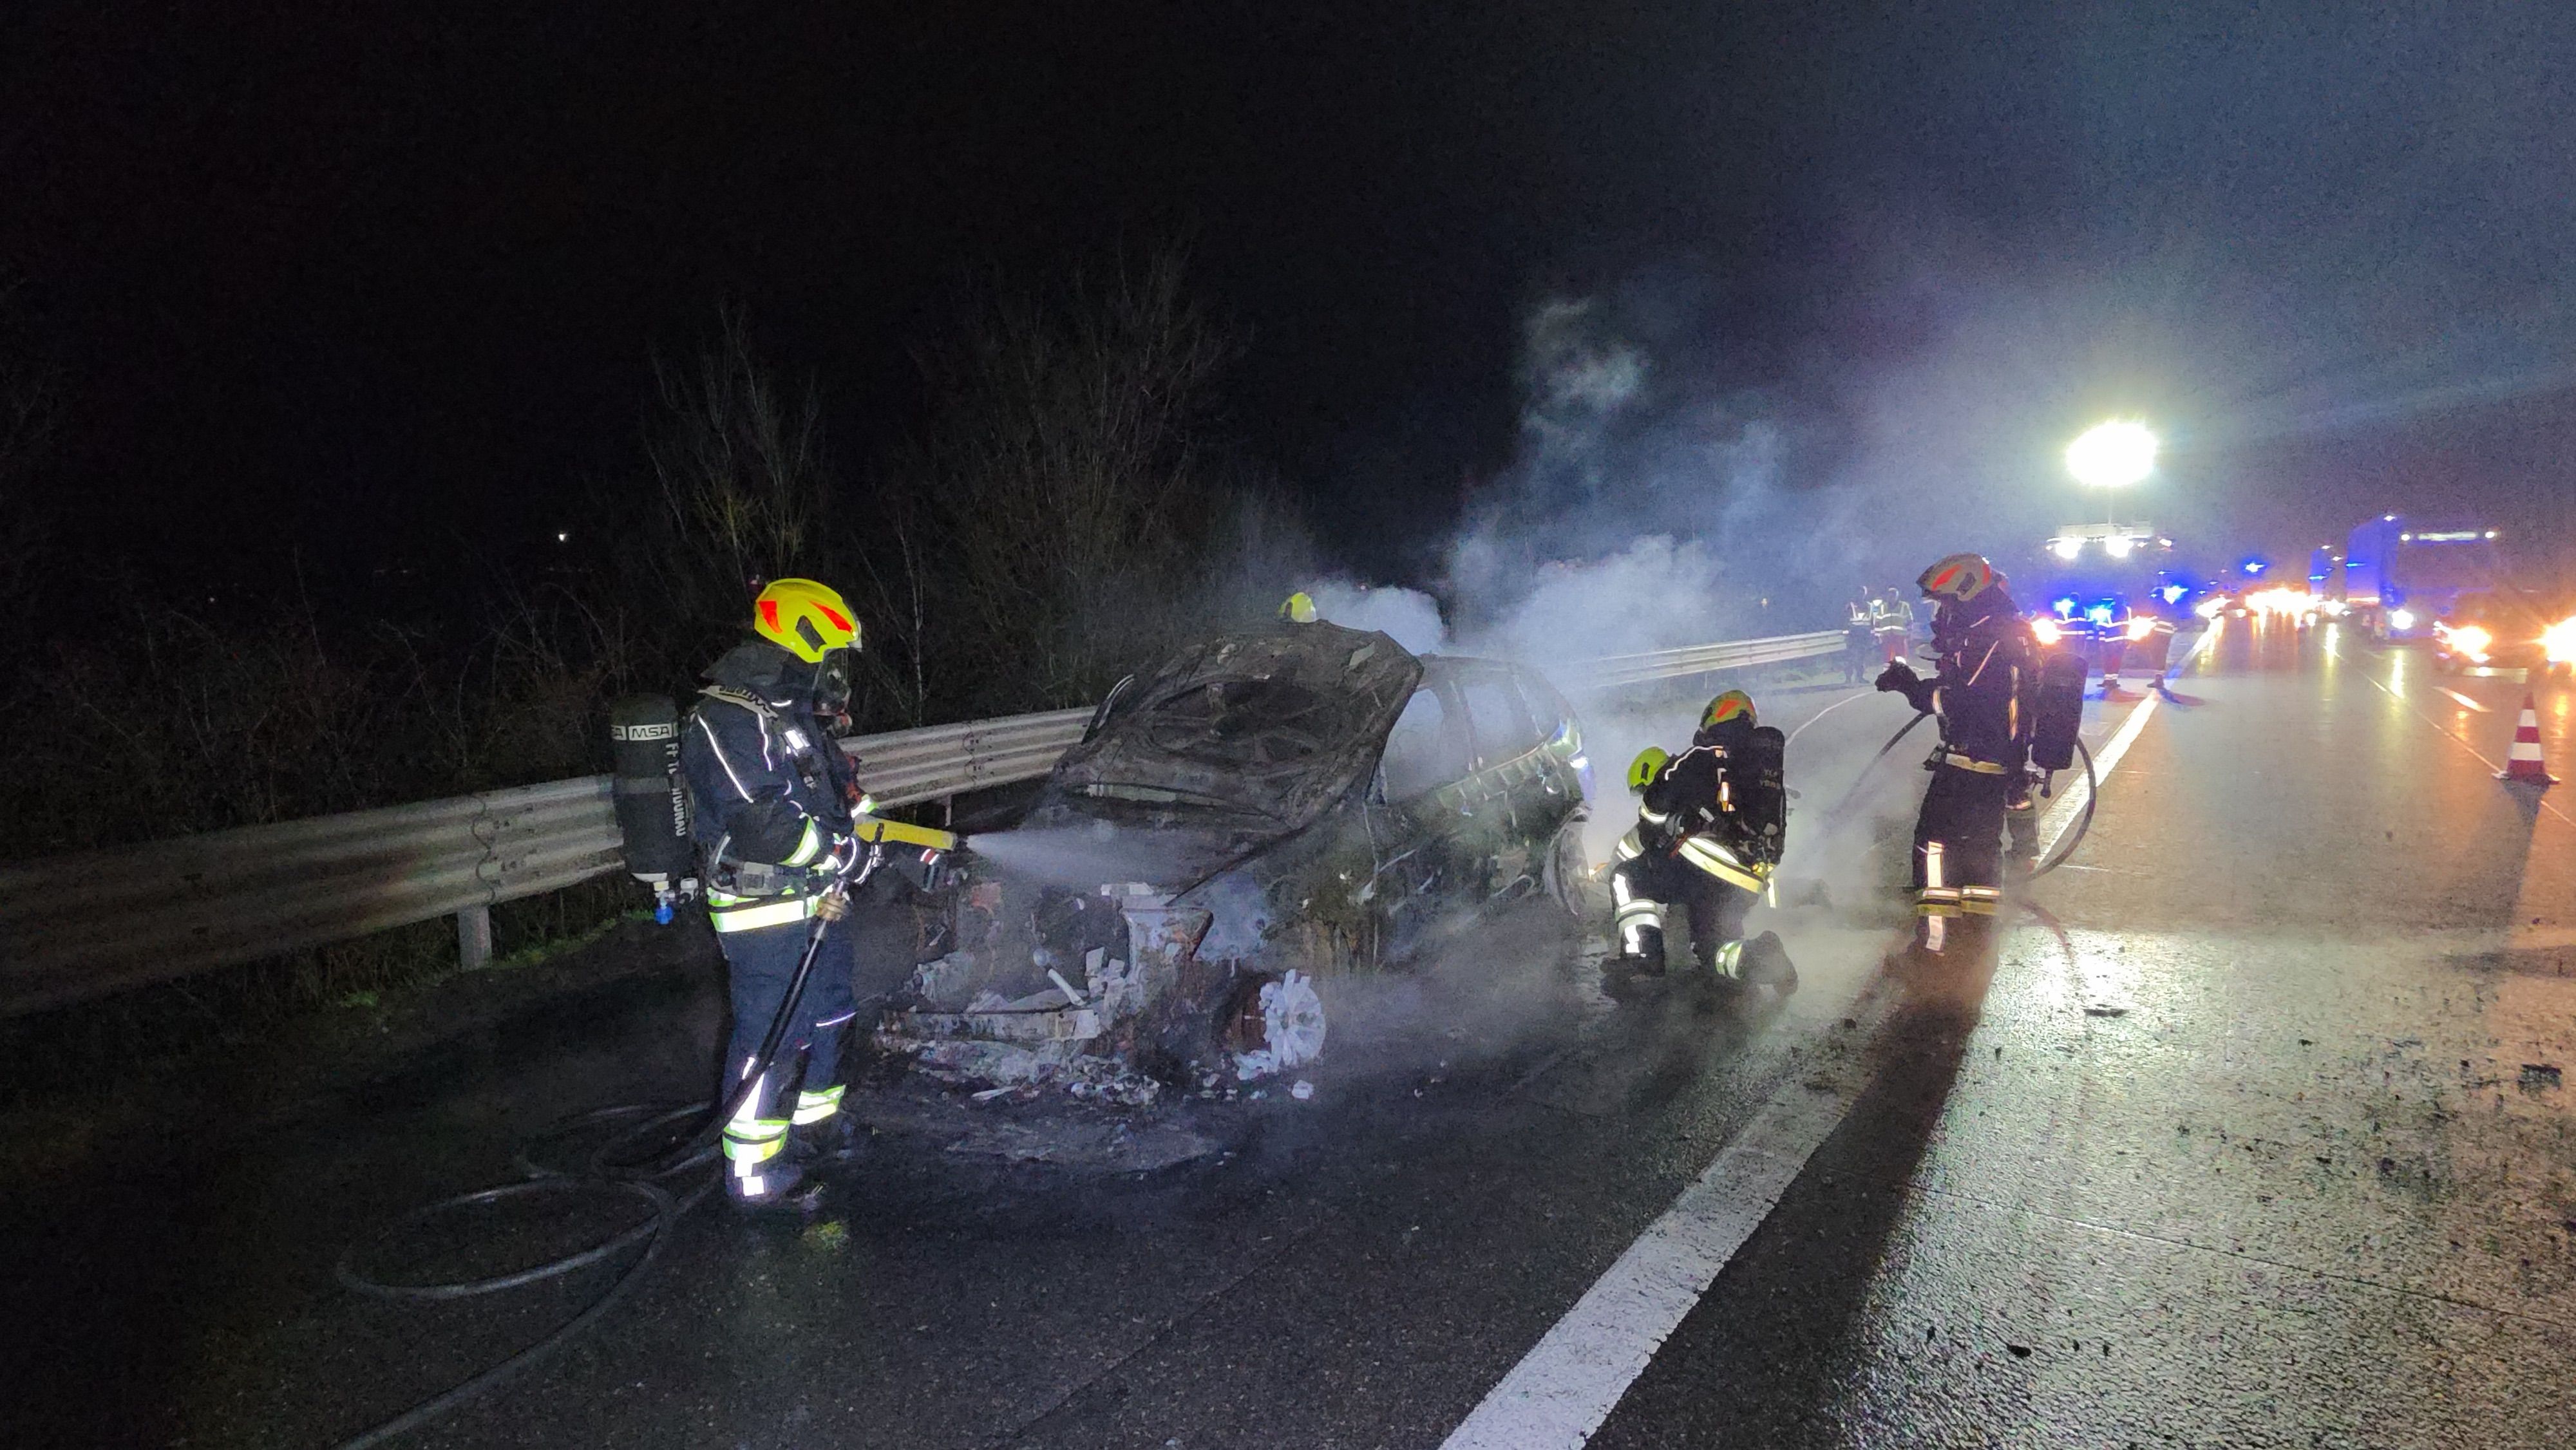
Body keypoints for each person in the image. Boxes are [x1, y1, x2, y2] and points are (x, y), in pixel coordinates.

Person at [679, 578, 870, 1207]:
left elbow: (840, 797)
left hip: (820, 899)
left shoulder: (794, 717)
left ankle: (813, 1130)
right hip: (761, 906)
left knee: (832, 1013)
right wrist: (838, 851)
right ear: (800, 643)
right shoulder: (726, 716)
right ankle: (757, 1175)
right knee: (774, 1033)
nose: (837, 674)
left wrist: (872, 841)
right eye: (832, 657)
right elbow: (761, 821)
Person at [1875, 554, 2036, 951]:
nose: (1939, 613)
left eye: (1944, 603)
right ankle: (1974, 944)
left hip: (1972, 760)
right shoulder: (2004, 631)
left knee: (1932, 846)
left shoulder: (1989, 637)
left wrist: (1910, 686)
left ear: (1965, 594)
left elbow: (1962, 702)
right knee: (1980, 853)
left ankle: (1932, 948)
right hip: (1995, 762)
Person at [1609, 693, 1796, 993]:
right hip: (1747, 881)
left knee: (1627, 877)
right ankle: (1765, 956)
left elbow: (1656, 802)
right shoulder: (1767, 776)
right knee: (1716, 953)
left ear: (1715, 717)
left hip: (1705, 867)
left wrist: (1652, 838)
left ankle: (1642, 956)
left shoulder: (1702, 756)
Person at [1874, 587, 1916, 664]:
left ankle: (1901, 674)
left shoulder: (1904, 606)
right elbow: (1877, 622)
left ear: (1897, 596)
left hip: (1900, 637)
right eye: (1890, 595)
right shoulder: (1883, 607)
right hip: (1886, 637)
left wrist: (1910, 634)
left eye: (1894, 595)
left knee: (1900, 658)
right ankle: (1887, 673)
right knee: (1887, 658)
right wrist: (1877, 636)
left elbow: (1910, 621)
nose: (1892, 597)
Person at [1844, 590, 1877, 684]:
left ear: (1865, 594)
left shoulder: (1870, 606)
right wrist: (1846, 634)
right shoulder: (1851, 605)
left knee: (1862, 657)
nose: (1861, 595)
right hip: (1854, 635)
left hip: (1864, 635)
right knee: (1851, 657)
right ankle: (1848, 678)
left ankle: (1860, 677)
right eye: (1859, 593)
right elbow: (1845, 619)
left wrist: (1873, 634)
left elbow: (1873, 622)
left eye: (1863, 593)